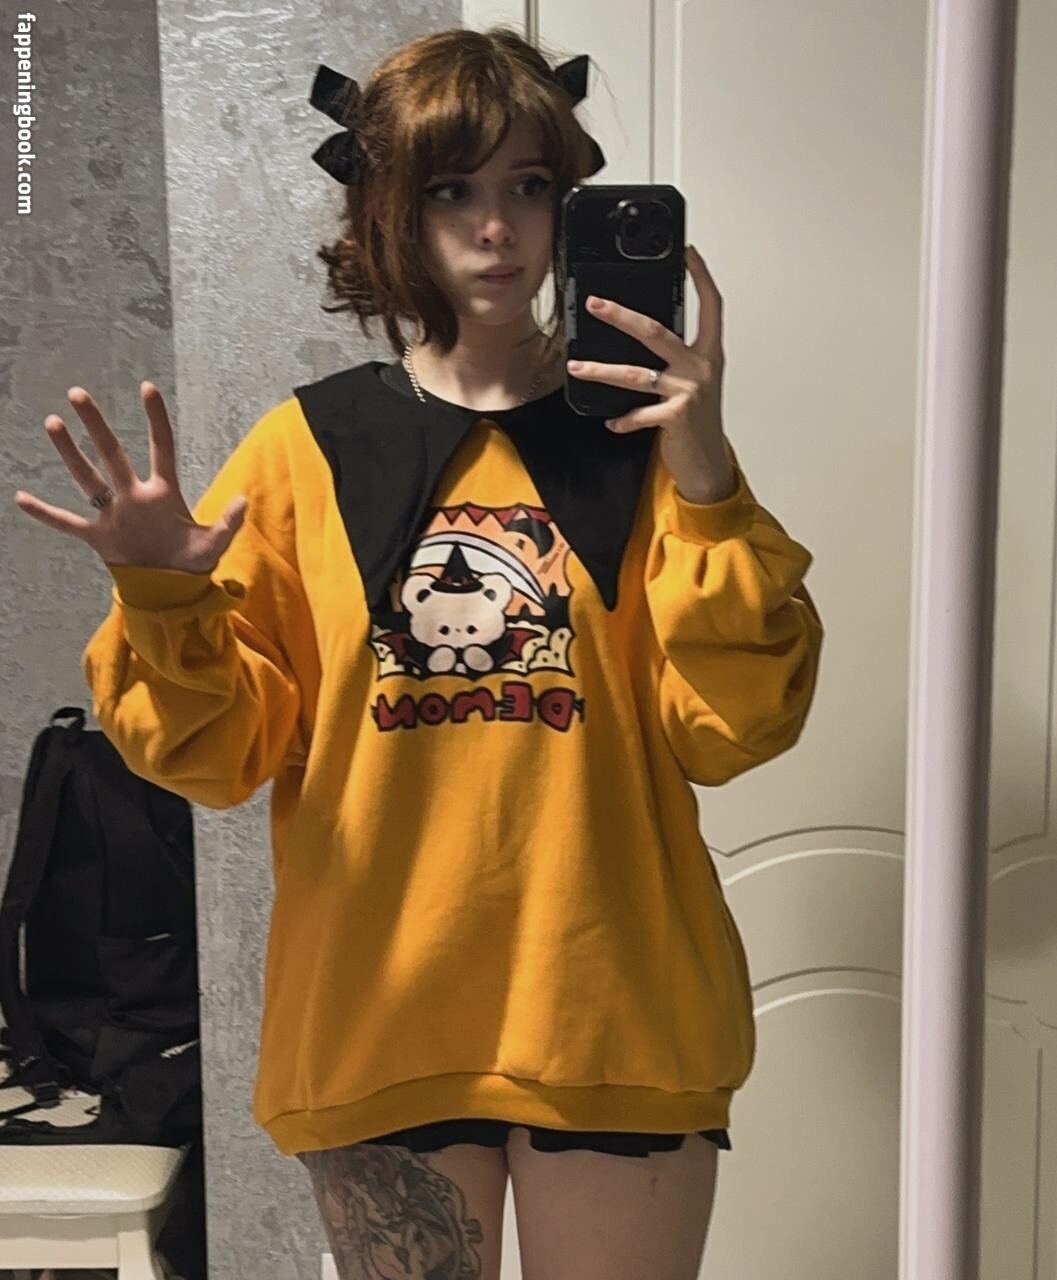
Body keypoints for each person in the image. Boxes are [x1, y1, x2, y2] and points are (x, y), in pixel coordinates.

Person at [13, 24, 824, 1280]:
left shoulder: (649, 440)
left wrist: (707, 476)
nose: (494, 227)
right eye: (451, 189)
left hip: (615, 1009)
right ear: (391, 211)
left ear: (569, 201)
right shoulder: (308, 448)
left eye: (527, 185)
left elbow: (731, 727)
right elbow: (220, 755)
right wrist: (163, 593)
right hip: (381, 1011)